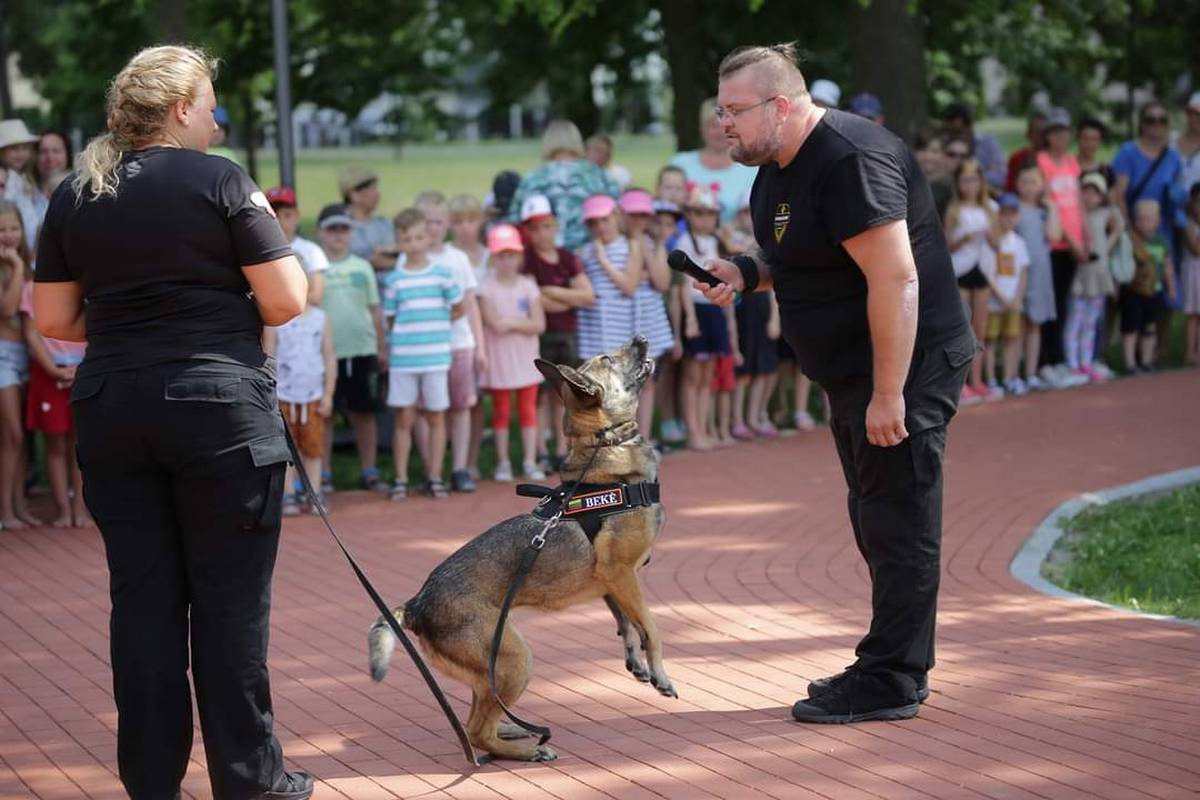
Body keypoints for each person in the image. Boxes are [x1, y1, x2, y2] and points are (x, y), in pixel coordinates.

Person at [32, 45, 312, 799]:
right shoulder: (222, 179)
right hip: (216, 410)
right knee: (229, 608)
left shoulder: (74, 192)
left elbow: (55, 318)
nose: (217, 116)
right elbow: (286, 300)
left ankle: (152, 782)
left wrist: (135, 325)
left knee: (144, 605)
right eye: (211, 102)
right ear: (182, 108)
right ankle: (251, 781)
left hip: (114, 408)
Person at [699, 43, 973, 724]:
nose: (721, 124)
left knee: (898, 520)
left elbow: (895, 276)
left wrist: (890, 394)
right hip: (855, 375)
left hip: (903, 370)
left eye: (734, 111)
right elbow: (807, 253)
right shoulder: (777, 165)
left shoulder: (850, 158)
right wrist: (746, 271)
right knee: (875, 517)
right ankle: (889, 659)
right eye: (720, 109)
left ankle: (892, 678)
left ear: (781, 105)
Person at [407, 191, 486, 494]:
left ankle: (461, 468)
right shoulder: (411, 260)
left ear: (447, 224)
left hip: (459, 343)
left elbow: (470, 304)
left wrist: (480, 346)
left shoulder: (458, 259)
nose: (433, 228)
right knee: (426, 409)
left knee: (461, 405)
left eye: (439, 222)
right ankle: (432, 469)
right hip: (424, 348)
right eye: (427, 222)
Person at [382, 208, 463, 500]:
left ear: (427, 238)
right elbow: (390, 318)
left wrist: (436, 329)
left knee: (436, 417)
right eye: (407, 239)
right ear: (399, 242)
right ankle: (401, 479)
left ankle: (435, 476)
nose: (413, 244)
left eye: (418, 238)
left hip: (435, 357)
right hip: (404, 359)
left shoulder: (443, 275)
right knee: (404, 418)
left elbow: (458, 307)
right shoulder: (394, 280)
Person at [317, 202, 389, 495]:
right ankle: (323, 472)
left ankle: (369, 469)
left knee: (364, 412)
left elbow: (375, 310)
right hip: (326, 354)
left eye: (344, 228)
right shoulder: (316, 269)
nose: (338, 234)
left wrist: (382, 347)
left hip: (362, 349)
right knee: (326, 413)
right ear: (321, 233)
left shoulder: (363, 268)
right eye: (332, 228)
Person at [520, 194, 594, 470]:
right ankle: (541, 451)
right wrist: (566, 296)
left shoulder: (566, 258)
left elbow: (587, 295)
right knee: (539, 397)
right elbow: (534, 300)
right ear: (527, 231)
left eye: (546, 226)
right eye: (534, 228)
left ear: (555, 225)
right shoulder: (526, 260)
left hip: (567, 334)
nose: (540, 234)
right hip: (540, 336)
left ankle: (564, 450)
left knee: (564, 396)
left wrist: (552, 291)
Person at [478, 224, 546, 481]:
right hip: (501, 361)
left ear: (519, 256)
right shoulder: (487, 288)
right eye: (501, 256)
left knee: (528, 409)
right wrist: (520, 323)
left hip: (526, 360)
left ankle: (530, 460)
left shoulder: (528, 286)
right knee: (501, 411)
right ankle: (503, 461)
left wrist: (511, 323)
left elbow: (538, 324)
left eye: (511, 255)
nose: (506, 261)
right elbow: (494, 322)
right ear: (493, 258)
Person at [20, 276, 88, 527]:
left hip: (83, 371)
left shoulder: (85, 284)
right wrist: (53, 369)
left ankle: (80, 509)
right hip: (49, 373)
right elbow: (31, 332)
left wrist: (82, 368)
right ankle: (63, 510)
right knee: (55, 444)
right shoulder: (31, 288)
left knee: (80, 447)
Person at [262, 291, 335, 516]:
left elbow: (329, 356)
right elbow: (269, 354)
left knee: (313, 447)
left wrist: (328, 394)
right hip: (284, 395)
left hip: (312, 395)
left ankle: (313, 492)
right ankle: (288, 494)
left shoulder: (320, 318)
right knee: (286, 449)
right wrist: (269, 393)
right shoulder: (274, 320)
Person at [676, 185, 732, 450]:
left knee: (708, 373)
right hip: (696, 310)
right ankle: (693, 430)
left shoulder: (715, 242)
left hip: (713, 309)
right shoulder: (685, 243)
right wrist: (690, 319)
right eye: (699, 213)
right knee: (693, 374)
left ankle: (705, 427)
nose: (705, 219)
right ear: (689, 214)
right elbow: (683, 287)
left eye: (710, 214)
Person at [1037, 107, 1089, 387]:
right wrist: (1073, 241)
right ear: (1048, 136)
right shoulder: (1043, 161)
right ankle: (1050, 361)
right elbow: (1051, 202)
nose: (1060, 136)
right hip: (1057, 243)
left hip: (1075, 243)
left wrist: (1086, 234)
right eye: (1055, 132)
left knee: (1067, 303)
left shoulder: (1071, 161)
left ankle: (1061, 358)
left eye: (1064, 131)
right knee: (1053, 303)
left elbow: (1078, 198)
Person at [509, 120, 620, 251]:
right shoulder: (598, 175)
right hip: (591, 253)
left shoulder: (533, 178)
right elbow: (617, 211)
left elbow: (515, 218)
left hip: (546, 256)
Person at [619, 188, 676, 441]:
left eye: (643, 216)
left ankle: (642, 436)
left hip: (648, 322)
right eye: (632, 215)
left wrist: (655, 245)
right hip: (621, 322)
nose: (638, 221)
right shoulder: (616, 244)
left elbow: (662, 281)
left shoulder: (652, 244)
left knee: (647, 381)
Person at [944, 158, 999, 402]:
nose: (970, 184)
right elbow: (947, 245)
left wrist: (988, 236)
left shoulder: (991, 208)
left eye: (974, 179)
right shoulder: (954, 210)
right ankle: (961, 383)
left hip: (983, 271)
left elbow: (998, 244)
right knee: (963, 331)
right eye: (965, 179)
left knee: (980, 330)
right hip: (961, 271)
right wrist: (965, 239)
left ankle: (978, 380)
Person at [727, 193, 781, 438]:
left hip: (765, 312)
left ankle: (757, 416)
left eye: (751, 213)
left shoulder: (770, 239)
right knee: (744, 371)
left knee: (766, 369)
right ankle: (738, 419)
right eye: (743, 213)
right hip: (743, 316)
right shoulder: (733, 241)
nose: (748, 218)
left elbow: (773, 283)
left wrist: (775, 318)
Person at [670, 98, 758, 225]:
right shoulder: (680, 164)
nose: (720, 132)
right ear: (702, 129)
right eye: (713, 126)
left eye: (725, 126)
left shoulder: (751, 167)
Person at [0, 200, 34, 530]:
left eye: (13, 228)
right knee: (10, 434)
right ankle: (5, 510)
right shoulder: (12, 266)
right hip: (3, 360)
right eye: (1, 230)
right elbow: (8, 309)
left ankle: (20, 504)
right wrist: (17, 268)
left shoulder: (27, 262)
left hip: (24, 357)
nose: (8, 235)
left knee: (21, 435)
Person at [1013, 161, 1061, 390]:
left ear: (1042, 184)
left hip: (1040, 273)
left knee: (1035, 324)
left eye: (1034, 182)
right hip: (1018, 274)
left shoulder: (1044, 211)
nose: (1029, 187)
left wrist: (1052, 208)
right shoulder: (1013, 210)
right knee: (1019, 324)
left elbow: (1054, 235)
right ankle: (1015, 374)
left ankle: (1031, 372)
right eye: (1024, 182)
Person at [1067, 172, 1120, 381]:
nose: (1089, 197)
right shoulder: (1077, 217)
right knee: (1075, 322)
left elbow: (1119, 225)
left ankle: (1086, 362)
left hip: (1100, 277)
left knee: (1091, 323)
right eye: (1085, 192)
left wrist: (1108, 245)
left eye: (1094, 193)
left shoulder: (1106, 214)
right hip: (1082, 276)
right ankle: (1073, 363)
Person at [978, 194, 1030, 395]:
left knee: (1012, 339)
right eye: (1005, 214)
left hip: (1013, 301)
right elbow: (986, 273)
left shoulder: (1019, 242)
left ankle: (1010, 377)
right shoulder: (990, 243)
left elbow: (1023, 272)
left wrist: (1017, 297)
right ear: (997, 215)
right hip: (994, 301)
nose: (1009, 219)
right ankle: (991, 379)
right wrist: (1001, 297)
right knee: (990, 341)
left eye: (1013, 215)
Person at [1121, 199, 1176, 371]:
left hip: (1154, 291)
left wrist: (1171, 287)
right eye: (1141, 219)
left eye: (1149, 219)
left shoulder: (1161, 242)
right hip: (1134, 291)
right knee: (1131, 328)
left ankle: (1147, 361)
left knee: (1149, 328)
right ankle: (1130, 363)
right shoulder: (1131, 240)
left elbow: (1167, 266)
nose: (1145, 223)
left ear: (1158, 221)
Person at [266, 186, 327, 305]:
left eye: (287, 215)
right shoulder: (258, 250)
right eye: (275, 216)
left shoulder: (311, 250)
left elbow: (316, 297)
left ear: (297, 215)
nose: (281, 222)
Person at [340, 165, 397, 280]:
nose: (378, 194)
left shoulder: (385, 224)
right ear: (354, 195)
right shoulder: (342, 229)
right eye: (373, 189)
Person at [942, 101, 1005, 191]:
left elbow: (999, 176)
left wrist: (970, 178)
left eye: (951, 120)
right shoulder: (944, 142)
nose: (947, 124)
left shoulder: (987, 142)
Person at [0, 119, 42, 252]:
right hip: (9, 238)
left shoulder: (25, 178)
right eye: (14, 149)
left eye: (25, 148)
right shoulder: (3, 177)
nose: (21, 154)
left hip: (27, 242)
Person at [1005, 111, 1047, 192]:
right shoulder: (1017, 158)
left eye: (1044, 132)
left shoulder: (1055, 159)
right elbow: (1009, 188)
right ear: (1028, 134)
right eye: (1037, 131)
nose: (1041, 136)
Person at [1181, 185, 1200, 365]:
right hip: (1194, 273)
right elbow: (1195, 249)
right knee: (1193, 314)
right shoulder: (1188, 224)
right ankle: (1190, 351)